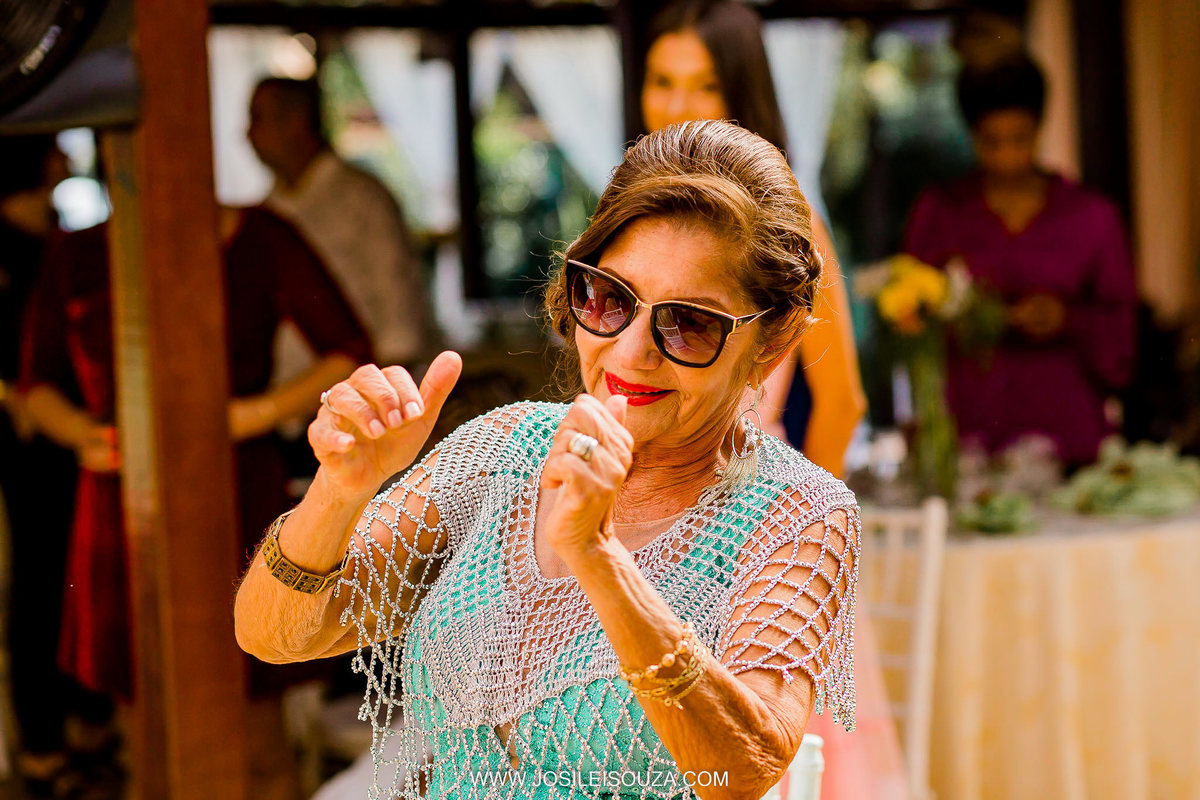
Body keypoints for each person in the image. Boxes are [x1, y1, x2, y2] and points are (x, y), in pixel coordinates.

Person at [235, 120, 859, 799]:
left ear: (771, 342)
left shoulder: (798, 514)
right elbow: (270, 634)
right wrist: (340, 491)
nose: (629, 352)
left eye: (690, 323)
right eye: (610, 298)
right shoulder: (504, 452)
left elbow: (741, 772)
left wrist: (599, 557)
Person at [19, 204, 372, 798]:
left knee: (255, 735)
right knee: (148, 738)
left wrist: (250, 414)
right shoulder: (76, 251)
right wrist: (83, 432)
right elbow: (37, 385)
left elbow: (349, 348)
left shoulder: (261, 236)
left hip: (232, 492)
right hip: (122, 502)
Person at [639, 0, 867, 477]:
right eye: (662, 82)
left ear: (740, 95)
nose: (676, 107)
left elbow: (841, 403)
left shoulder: (785, 223)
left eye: (706, 85)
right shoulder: (632, 215)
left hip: (746, 510)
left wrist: (809, 528)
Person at [904, 54, 1137, 468]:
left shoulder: (1090, 216)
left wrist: (1067, 319)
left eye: (1021, 139)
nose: (1007, 156)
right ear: (972, 135)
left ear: (1040, 129)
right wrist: (969, 316)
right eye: (991, 142)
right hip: (969, 444)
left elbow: (1122, 337)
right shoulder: (939, 213)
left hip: (1069, 441)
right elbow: (909, 324)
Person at [0, 134, 92, 796]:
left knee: (76, 573)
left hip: (75, 433)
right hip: (25, 438)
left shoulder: (63, 236)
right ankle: (39, 742)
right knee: (37, 585)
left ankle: (85, 719)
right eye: (56, 146)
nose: (66, 157)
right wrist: (15, 397)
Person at [248, 76, 431, 382]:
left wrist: (390, 394)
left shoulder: (360, 198)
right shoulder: (268, 209)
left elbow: (397, 305)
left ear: (295, 122)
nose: (248, 134)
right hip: (287, 400)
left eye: (257, 119)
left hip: (360, 396)